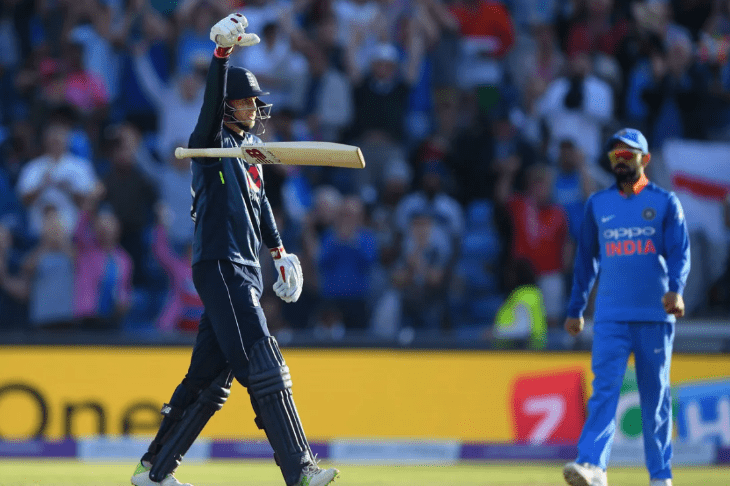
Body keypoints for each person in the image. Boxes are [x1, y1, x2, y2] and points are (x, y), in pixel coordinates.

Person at [130, 13, 339, 486]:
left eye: (255, 103)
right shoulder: (210, 143)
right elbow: (207, 110)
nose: (254, 110)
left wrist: (280, 250)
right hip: (220, 262)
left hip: (246, 268)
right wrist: (221, 55)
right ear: (227, 106)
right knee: (264, 362)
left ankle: (153, 471)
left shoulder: (249, 154)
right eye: (245, 103)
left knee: (208, 381)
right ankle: (300, 469)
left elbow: (260, 204)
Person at [562, 128, 690, 486]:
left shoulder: (665, 202)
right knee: (604, 390)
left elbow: (680, 253)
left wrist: (677, 290)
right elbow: (585, 261)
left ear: (645, 160)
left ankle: (660, 477)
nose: (620, 160)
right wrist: (576, 309)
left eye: (628, 155)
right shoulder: (598, 205)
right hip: (611, 316)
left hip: (654, 316)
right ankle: (592, 466)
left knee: (655, 398)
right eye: (615, 155)